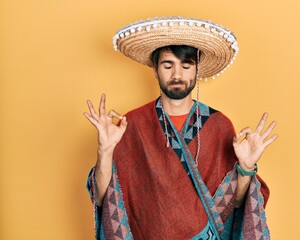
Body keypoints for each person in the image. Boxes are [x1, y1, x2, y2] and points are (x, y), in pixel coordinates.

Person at [84, 17, 278, 240]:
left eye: (186, 66)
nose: (177, 75)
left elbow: (237, 205)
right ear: (155, 70)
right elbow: (103, 198)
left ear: (197, 71)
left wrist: (245, 168)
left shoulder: (218, 125)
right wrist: (105, 151)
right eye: (168, 65)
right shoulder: (133, 124)